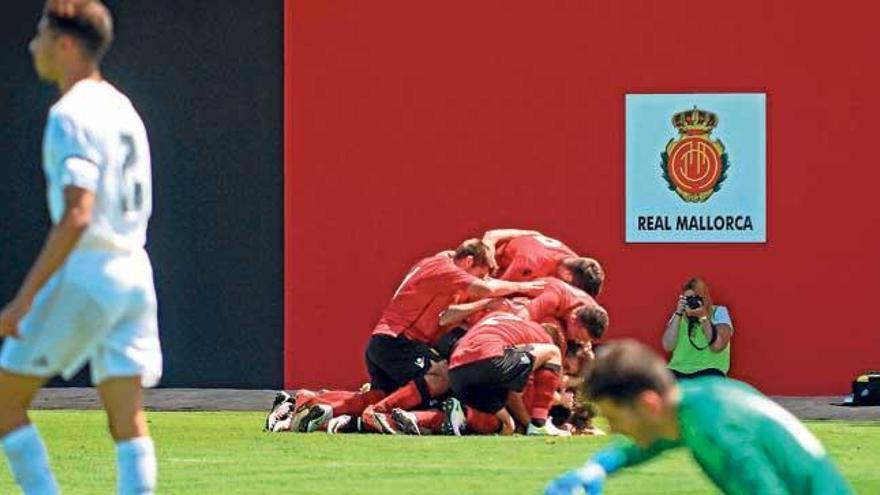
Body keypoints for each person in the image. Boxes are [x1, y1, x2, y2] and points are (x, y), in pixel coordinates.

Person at [0, 1, 161, 493]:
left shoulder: (69, 114)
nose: (33, 46)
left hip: (92, 271)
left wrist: (23, 301)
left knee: (4, 401)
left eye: (41, 36)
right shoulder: (123, 107)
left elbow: (78, 213)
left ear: (65, 45)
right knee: (126, 420)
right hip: (136, 273)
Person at [544, 340, 853, 495]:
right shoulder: (696, 402)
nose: (612, 428)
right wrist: (598, 468)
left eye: (614, 417)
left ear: (648, 404)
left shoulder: (717, 431)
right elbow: (649, 443)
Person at [361, 240, 545, 434]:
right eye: (481, 274)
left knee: (384, 394)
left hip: (383, 341)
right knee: (445, 376)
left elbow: (445, 317)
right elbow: (486, 289)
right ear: (468, 261)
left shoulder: (438, 263)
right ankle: (379, 412)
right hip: (399, 340)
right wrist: (525, 287)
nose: (484, 279)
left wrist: (482, 305)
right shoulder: (446, 268)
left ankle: (332, 409)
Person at [448, 312, 570, 436]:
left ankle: (461, 418)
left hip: (456, 374)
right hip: (491, 360)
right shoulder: (544, 338)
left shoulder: (498, 318)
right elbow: (514, 395)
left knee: (508, 424)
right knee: (554, 352)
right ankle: (539, 425)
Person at [482, 229, 605, 297]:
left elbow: (536, 233)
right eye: (573, 288)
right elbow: (491, 291)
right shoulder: (530, 263)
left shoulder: (574, 262)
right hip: (492, 275)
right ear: (567, 275)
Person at [661, 277, 733, 379]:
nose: (692, 302)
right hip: (678, 370)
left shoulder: (719, 312)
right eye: (688, 299)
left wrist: (703, 318)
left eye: (695, 298)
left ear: (705, 298)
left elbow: (717, 347)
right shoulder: (679, 315)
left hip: (709, 370)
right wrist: (678, 313)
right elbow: (668, 345)